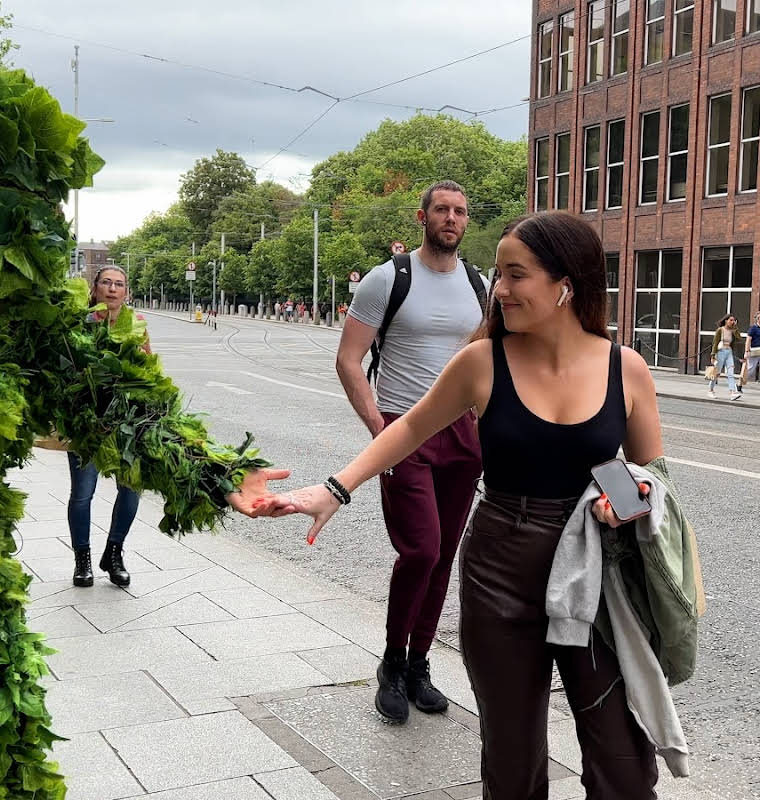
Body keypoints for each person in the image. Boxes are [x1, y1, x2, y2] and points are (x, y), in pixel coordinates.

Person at [261, 211, 665, 798]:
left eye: (515, 275)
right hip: (501, 564)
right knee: (512, 754)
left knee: (623, 760)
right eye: (498, 274)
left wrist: (621, 500)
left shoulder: (624, 368)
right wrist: (334, 489)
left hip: (599, 570)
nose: (498, 289)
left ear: (566, 285)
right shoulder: (482, 362)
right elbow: (410, 429)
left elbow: (647, 475)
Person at [333, 180, 488, 724]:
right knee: (420, 551)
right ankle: (392, 663)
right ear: (422, 217)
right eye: (441, 209)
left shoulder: (478, 283)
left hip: (463, 435)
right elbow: (349, 359)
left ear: (467, 222)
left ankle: (420, 663)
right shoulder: (387, 279)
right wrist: (381, 430)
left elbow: (486, 360)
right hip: (405, 429)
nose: (451, 217)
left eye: (460, 211)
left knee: (444, 555)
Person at [68, 266, 152, 588]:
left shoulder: (137, 325)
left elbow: (148, 369)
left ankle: (114, 553)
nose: (113, 289)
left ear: (126, 292)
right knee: (82, 494)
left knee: (131, 491)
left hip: (126, 421)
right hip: (86, 422)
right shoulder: (81, 322)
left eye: (119, 284)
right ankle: (82, 560)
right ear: (95, 287)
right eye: (107, 282)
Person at [708, 314, 742, 400]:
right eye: (731, 320)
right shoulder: (720, 330)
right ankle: (710, 390)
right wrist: (713, 355)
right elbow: (715, 343)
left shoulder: (733, 330)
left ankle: (732, 392)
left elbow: (739, 338)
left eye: (734, 320)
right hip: (720, 352)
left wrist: (736, 328)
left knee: (731, 372)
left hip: (729, 352)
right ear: (726, 321)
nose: (732, 322)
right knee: (717, 372)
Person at [744, 311, 760, 382]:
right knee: (750, 369)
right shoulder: (753, 328)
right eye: (759, 318)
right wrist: (747, 351)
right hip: (755, 351)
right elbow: (748, 340)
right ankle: (740, 383)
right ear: (757, 319)